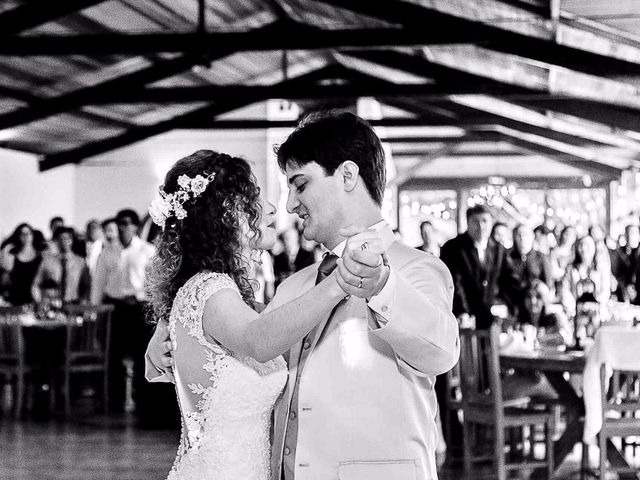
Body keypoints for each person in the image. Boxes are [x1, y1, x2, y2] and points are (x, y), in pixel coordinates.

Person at [146, 112, 459, 480]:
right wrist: (170, 335)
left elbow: (441, 352)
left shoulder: (415, 269)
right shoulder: (295, 286)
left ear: (346, 175)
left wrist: (382, 287)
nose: (290, 205)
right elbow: (246, 338)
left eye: (300, 184)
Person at [144, 150, 352, 478]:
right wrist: (341, 282)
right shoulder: (212, 289)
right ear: (226, 214)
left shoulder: (218, 292)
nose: (270, 208)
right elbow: (259, 340)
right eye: (254, 198)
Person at [440, 204, 520, 330]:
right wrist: (462, 311)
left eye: (485, 221)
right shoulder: (452, 248)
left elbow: (508, 280)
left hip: (491, 314)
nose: (481, 226)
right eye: (475, 221)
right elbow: (454, 282)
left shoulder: (498, 249)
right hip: (463, 316)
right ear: (468, 223)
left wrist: (510, 306)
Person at [31, 226, 90, 304]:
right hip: (52, 303)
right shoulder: (47, 261)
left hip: (74, 304)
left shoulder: (80, 262)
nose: (63, 242)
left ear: (71, 240)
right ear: (56, 241)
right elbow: (36, 285)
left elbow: (87, 286)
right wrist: (39, 302)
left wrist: (84, 302)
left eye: (66, 238)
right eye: (60, 239)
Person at [0, 223, 45, 305]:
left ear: (33, 235)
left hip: (36, 300)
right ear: (18, 236)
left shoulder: (41, 255)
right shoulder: (12, 255)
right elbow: (5, 280)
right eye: (22, 234)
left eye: (28, 233)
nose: (26, 236)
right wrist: (6, 250)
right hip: (15, 300)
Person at [611, 224, 639, 302]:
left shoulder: (638, 253)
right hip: (623, 293)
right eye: (628, 233)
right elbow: (616, 271)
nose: (630, 236)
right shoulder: (619, 253)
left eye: (633, 233)